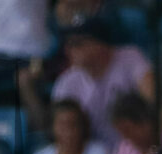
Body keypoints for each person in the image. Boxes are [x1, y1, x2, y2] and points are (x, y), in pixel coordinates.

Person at [51, 17, 155, 147]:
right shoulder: (67, 81)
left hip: (133, 149)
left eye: (76, 44)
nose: (68, 50)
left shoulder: (130, 58)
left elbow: (151, 103)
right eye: (67, 44)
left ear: (100, 44)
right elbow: (60, 129)